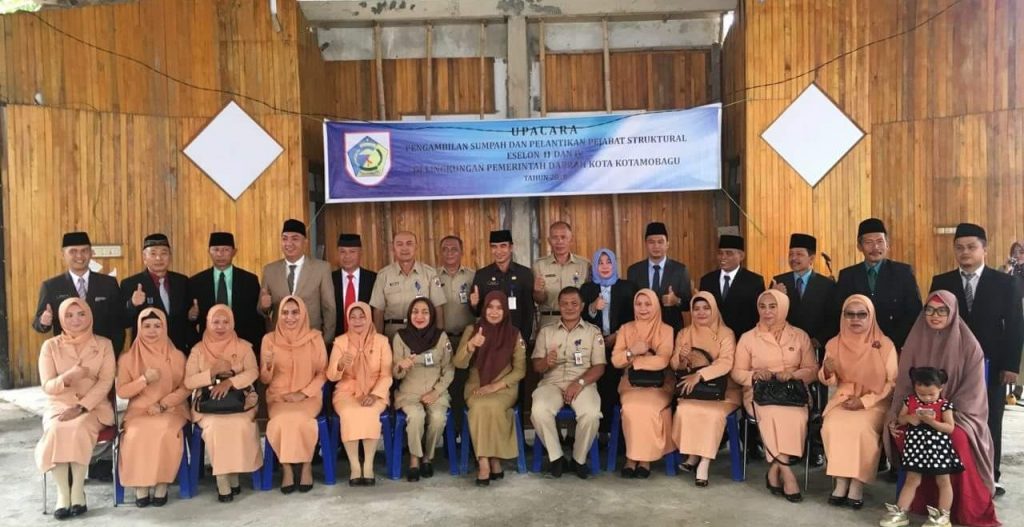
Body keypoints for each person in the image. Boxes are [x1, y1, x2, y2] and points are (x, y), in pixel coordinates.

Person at [885, 291, 998, 527]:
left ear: (952, 312)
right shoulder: (915, 340)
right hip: (915, 412)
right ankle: (910, 505)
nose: (934, 315)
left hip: (956, 415)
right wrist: (898, 415)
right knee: (900, 432)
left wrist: (938, 413)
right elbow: (904, 386)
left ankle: (949, 511)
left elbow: (972, 394)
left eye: (942, 310)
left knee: (956, 439)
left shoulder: (969, 346)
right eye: (929, 310)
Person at [929, 223, 1024, 495]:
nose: (965, 252)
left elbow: (1015, 325)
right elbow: (933, 323)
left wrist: (1010, 365)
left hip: (991, 363)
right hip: (951, 364)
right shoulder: (942, 282)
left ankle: (991, 474)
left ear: (985, 249)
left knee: (991, 417)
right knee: (953, 416)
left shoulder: (1005, 283)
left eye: (971, 247)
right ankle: (955, 473)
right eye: (959, 247)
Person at [732, 289, 817, 502]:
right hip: (759, 393)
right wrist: (754, 375)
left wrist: (793, 375)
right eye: (762, 307)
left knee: (796, 417)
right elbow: (737, 372)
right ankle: (788, 475)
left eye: (773, 306)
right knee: (770, 415)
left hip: (793, 392)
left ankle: (773, 472)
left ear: (784, 308)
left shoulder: (800, 335)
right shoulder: (748, 337)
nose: (767, 311)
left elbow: (812, 370)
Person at [35, 298, 115, 519]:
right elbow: (48, 386)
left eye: (81, 314)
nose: (75, 320)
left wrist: (81, 407)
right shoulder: (50, 346)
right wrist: (68, 377)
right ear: (61, 319)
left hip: (93, 407)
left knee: (78, 427)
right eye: (69, 316)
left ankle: (78, 490)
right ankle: (63, 494)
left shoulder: (104, 344)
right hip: (59, 405)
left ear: (89, 315)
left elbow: (106, 383)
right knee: (56, 429)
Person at [818, 295, 897, 509]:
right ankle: (841, 481)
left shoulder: (885, 345)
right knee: (832, 425)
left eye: (862, 314)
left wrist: (864, 402)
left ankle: (857, 483)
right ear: (843, 316)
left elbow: (892, 382)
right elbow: (829, 379)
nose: (855, 319)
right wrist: (827, 371)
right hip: (844, 397)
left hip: (875, 401)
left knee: (861, 429)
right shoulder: (834, 343)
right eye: (850, 314)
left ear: (871, 316)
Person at [773, 233, 838, 467]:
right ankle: (790, 446)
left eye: (799, 254)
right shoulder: (779, 282)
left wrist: (819, 339)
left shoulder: (827, 285)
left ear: (811, 258)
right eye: (791, 254)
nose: (794, 258)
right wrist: (776, 296)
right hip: (786, 351)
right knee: (789, 397)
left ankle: (816, 448)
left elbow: (834, 318)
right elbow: (769, 314)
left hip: (816, 348)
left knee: (817, 401)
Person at [185, 305, 262, 503]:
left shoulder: (243, 347)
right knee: (216, 427)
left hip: (240, 403)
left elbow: (253, 371)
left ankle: (233, 474)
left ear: (232, 323)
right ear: (208, 323)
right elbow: (189, 381)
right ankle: (223, 480)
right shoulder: (198, 350)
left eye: (225, 322)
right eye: (216, 322)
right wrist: (211, 373)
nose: (220, 326)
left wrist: (230, 382)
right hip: (208, 406)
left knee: (241, 425)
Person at [116, 308, 190, 508]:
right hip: (139, 412)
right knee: (135, 434)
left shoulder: (177, 356)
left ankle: (161, 484)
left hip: (171, 409)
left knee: (164, 431)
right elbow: (122, 391)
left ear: (165, 328)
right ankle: (141, 485)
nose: (152, 330)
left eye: (157, 326)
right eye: (146, 326)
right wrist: (143, 380)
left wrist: (163, 404)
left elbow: (186, 387)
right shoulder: (127, 358)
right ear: (139, 328)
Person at [453, 291, 526, 486]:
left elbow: (520, 370)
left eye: (499, 308)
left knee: (492, 406)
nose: (494, 312)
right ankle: (486, 462)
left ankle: (492, 459)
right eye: (490, 307)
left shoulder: (514, 334)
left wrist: (495, 386)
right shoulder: (473, 330)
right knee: (479, 406)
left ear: (505, 311)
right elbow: (458, 363)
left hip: (504, 386)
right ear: (484, 309)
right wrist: (470, 346)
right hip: (476, 385)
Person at [530, 286, 605, 479]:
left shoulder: (593, 332)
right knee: (539, 411)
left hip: (583, 383)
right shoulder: (546, 332)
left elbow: (599, 367)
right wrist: (546, 362)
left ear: (582, 306)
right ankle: (557, 458)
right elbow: (536, 366)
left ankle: (579, 459)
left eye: (574, 303)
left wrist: (579, 382)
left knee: (591, 414)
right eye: (564, 304)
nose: (569, 307)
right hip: (552, 383)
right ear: (559, 306)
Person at [670, 292, 741, 487]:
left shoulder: (726, 334)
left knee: (711, 415)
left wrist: (700, 375)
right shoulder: (684, 333)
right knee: (685, 410)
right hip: (692, 390)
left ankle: (704, 462)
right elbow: (674, 365)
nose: (701, 312)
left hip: (723, 391)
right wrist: (682, 357)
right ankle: (693, 455)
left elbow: (726, 362)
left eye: (706, 308)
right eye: (696, 309)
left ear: (714, 309)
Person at [259, 296, 326, 494]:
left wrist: (303, 394)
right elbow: (264, 379)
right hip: (278, 398)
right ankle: (287, 468)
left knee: (302, 419)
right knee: (282, 420)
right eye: (285, 313)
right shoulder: (269, 340)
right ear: (279, 315)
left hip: (308, 397)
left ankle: (306, 466)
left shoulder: (315, 338)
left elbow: (323, 373)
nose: (290, 317)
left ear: (303, 314)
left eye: (295, 312)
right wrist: (268, 365)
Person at [880, 367, 962, 527]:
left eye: (931, 394)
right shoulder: (910, 401)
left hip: (938, 450)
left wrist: (932, 422)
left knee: (944, 481)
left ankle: (943, 516)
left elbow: (950, 428)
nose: (927, 398)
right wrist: (910, 418)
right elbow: (901, 419)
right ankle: (900, 511)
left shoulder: (944, 405)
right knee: (911, 479)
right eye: (922, 394)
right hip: (915, 448)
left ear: (940, 388)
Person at [611, 289, 675, 479]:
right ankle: (632, 459)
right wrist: (632, 351)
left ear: (656, 306)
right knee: (631, 407)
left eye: (648, 304)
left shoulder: (666, 330)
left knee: (648, 408)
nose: (643, 308)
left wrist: (634, 362)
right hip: (631, 384)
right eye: (639, 304)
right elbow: (616, 360)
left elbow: (663, 361)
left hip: (660, 385)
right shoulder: (626, 329)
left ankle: (644, 460)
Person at [327, 302, 393, 486]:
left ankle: (369, 465)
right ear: (348, 320)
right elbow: (331, 376)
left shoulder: (382, 341)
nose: (357, 321)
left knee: (369, 412)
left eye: (362, 316)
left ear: (369, 318)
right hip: (347, 391)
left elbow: (387, 375)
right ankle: (355, 466)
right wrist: (340, 365)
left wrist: (375, 395)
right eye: (353, 317)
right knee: (350, 413)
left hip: (375, 390)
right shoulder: (341, 342)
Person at [835, 218, 922, 350]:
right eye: (868, 242)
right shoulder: (847, 275)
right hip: (857, 346)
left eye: (880, 241)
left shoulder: (903, 272)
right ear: (859, 246)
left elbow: (914, 312)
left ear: (887, 244)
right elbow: (839, 314)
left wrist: (890, 343)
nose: (875, 247)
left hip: (894, 345)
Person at [392, 298, 453, 482]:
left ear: (431, 315)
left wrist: (436, 391)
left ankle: (427, 457)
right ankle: (414, 459)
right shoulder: (400, 337)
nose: (419, 316)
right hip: (409, 393)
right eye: (415, 312)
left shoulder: (441, 337)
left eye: (425, 312)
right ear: (409, 315)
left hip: (435, 392)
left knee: (438, 418)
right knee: (416, 417)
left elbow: (449, 368)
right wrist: (401, 366)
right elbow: (395, 374)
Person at [33, 231, 124, 355]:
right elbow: (38, 324)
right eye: (73, 251)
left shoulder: (108, 283)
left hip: (101, 353)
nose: (79, 256)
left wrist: (113, 353)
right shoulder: (51, 286)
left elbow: (118, 322)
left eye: (84, 251)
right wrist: (43, 322)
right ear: (63, 254)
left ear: (91, 253)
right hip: (66, 355)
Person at [580, 248, 637, 434]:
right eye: (600, 262)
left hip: (620, 345)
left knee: (616, 388)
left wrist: (618, 335)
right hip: (593, 347)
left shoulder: (627, 287)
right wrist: (592, 307)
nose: (605, 266)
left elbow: (634, 318)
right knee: (598, 388)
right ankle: (600, 434)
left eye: (608, 262)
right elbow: (580, 317)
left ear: (614, 264)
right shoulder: (587, 289)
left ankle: (618, 434)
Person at [260, 219, 337, 344]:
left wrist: (324, 342)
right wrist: (264, 307)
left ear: (305, 242)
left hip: (311, 341)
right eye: (285, 238)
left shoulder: (321, 269)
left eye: (295, 239)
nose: (289, 243)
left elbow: (329, 308)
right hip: (279, 342)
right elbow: (262, 310)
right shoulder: (270, 270)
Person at [188, 232, 263, 351]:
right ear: (209, 252)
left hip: (242, 345)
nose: (220, 254)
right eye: (216, 249)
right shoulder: (196, 282)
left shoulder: (249, 280)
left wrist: (256, 349)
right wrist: (192, 317)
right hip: (207, 347)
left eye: (225, 250)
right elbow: (190, 321)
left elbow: (258, 319)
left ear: (234, 252)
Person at [121, 234, 191, 353]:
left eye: (164, 253)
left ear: (170, 256)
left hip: (178, 351)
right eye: (153, 254)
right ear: (144, 257)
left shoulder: (182, 281)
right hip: (146, 352)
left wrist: (192, 315)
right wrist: (132, 304)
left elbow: (187, 319)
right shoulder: (130, 284)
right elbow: (123, 321)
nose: (159, 258)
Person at [370, 231, 447, 338]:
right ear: (393, 248)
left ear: (416, 247)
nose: (404, 248)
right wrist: (378, 340)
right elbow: (378, 311)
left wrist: (439, 337)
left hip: (423, 335)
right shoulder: (383, 275)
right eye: (399, 244)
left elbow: (437, 307)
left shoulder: (430, 273)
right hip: (393, 334)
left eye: (409, 243)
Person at [437, 235, 476, 435]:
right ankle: (448, 435)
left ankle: (464, 432)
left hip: (466, 340)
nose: (449, 253)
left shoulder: (472, 276)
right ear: (440, 252)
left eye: (454, 249)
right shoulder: (432, 276)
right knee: (445, 386)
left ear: (462, 251)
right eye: (445, 249)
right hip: (441, 340)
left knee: (463, 385)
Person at [470, 230, 535, 343]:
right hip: (490, 339)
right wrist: (474, 305)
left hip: (517, 337)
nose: (498, 251)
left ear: (511, 247)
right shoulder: (482, 275)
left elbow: (528, 311)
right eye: (494, 247)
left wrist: (523, 338)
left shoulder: (524, 274)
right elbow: (476, 313)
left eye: (503, 246)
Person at [626, 222, 692, 334]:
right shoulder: (634, 270)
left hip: (672, 330)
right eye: (651, 242)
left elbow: (688, 304)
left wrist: (676, 300)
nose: (656, 246)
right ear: (645, 244)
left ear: (667, 244)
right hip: (642, 330)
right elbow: (630, 304)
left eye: (660, 242)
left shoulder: (680, 270)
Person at [698, 234, 765, 337]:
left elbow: (758, 315)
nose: (723, 257)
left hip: (743, 339)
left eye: (729, 253)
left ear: (741, 256)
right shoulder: (707, 280)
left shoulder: (754, 281)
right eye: (720, 253)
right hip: (712, 338)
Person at [532, 222, 591, 329]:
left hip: (577, 321)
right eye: (555, 238)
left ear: (571, 239)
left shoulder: (584, 265)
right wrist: (538, 292)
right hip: (549, 322)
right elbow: (538, 300)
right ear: (549, 241)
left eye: (563, 237)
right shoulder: (539, 265)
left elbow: (588, 296)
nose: (559, 241)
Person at [332, 233, 377, 334]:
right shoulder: (329, 279)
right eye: (342, 252)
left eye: (352, 251)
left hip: (367, 338)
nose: (347, 256)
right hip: (336, 339)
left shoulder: (373, 279)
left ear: (360, 253)